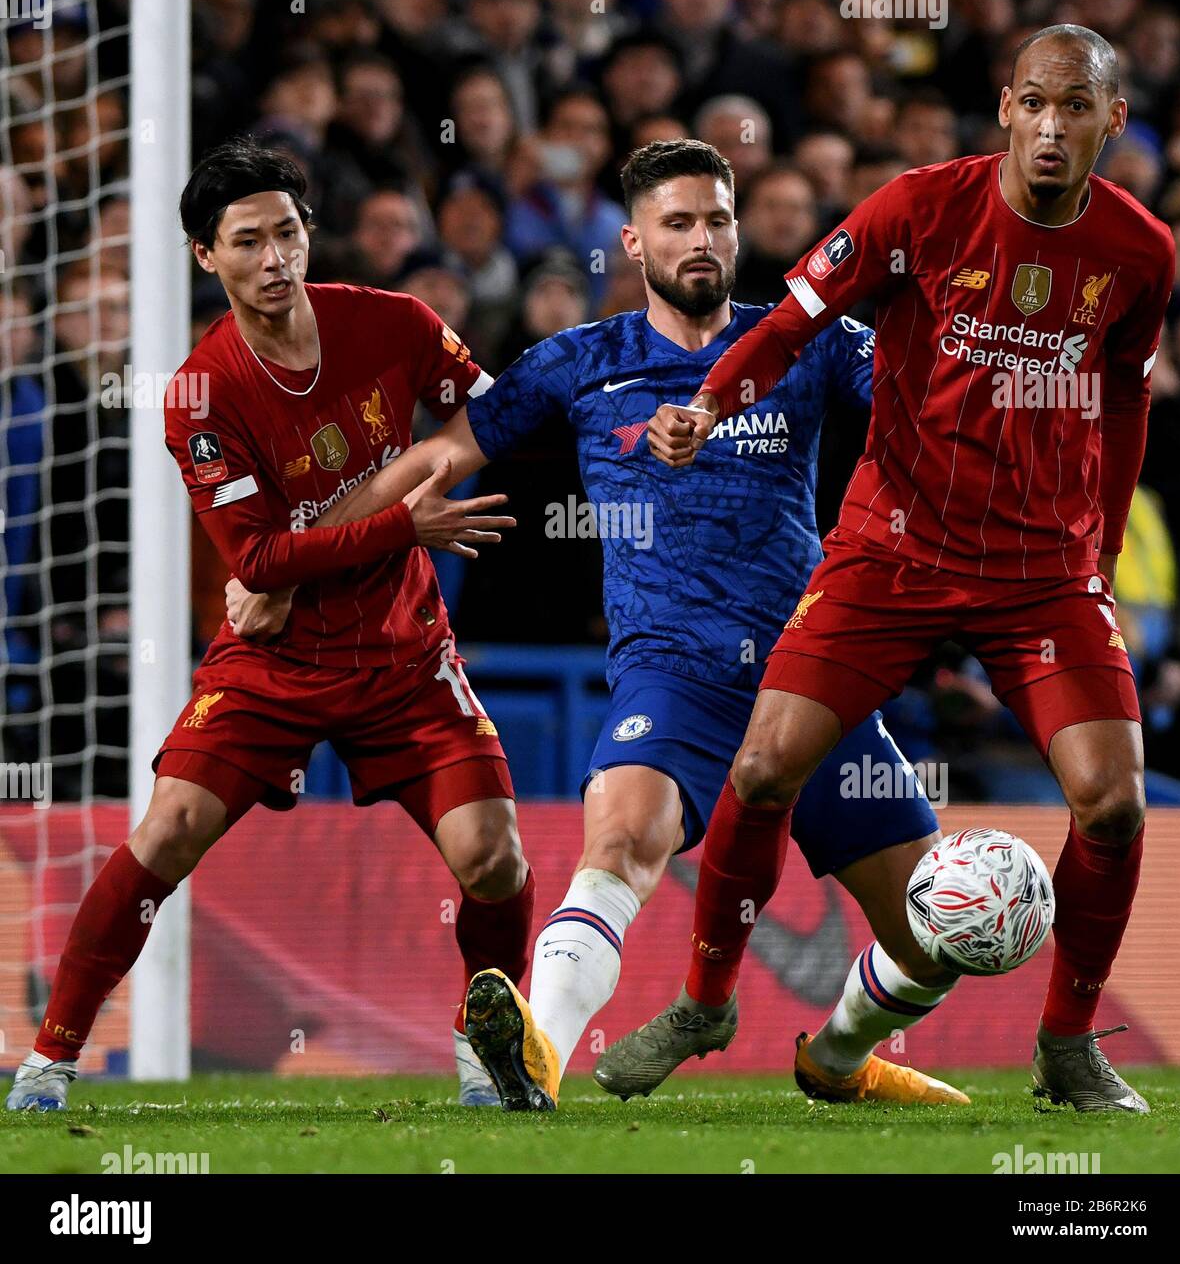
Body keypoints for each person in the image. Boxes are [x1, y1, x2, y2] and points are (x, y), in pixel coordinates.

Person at [238, 140, 975, 1113]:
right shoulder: (580, 363)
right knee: (622, 839)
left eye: (716, 218)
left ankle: (838, 1055)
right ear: (633, 241)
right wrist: (288, 562)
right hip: (673, 672)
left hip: (813, 675)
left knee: (938, 933)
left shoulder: (805, 345)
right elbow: (431, 462)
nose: (701, 239)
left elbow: (937, 418)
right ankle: (532, 1057)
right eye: (677, 223)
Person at [626, 25, 1174, 1114]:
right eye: (1035, 103)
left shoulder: (1141, 252)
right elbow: (788, 326)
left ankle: (1066, 1042)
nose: (1052, 128)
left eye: (1078, 108)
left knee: (1112, 806)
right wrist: (708, 400)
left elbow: (1124, 400)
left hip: (1041, 570)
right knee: (762, 769)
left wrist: (1102, 551)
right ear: (1006, 106)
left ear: (1113, 122)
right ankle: (705, 999)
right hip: (894, 546)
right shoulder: (918, 207)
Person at [7, 140, 529, 1112]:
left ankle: (484, 1057)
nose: (275, 258)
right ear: (208, 257)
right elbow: (258, 564)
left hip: (404, 654)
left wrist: (410, 481)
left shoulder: (397, 325)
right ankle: (47, 1061)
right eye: (247, 242)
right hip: (272, 664)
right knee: (165, 831)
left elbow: (489, 424)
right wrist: (400, 517)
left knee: (494, 854)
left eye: (287, 232)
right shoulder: (202, 393)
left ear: (308, 232)